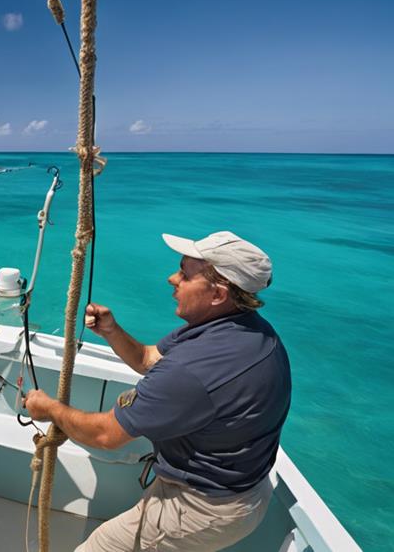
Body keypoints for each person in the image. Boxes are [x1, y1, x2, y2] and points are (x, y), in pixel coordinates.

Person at [25, 231, 290, 551]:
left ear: (218, 294)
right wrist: (111, 330)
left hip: (203, 507)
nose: (172, 278)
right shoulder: (245, 329)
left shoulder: (193, 369)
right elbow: (148, 359)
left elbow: (106, 436)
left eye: (185, 274)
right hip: (238, 491)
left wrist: (49, 408)